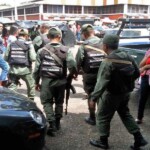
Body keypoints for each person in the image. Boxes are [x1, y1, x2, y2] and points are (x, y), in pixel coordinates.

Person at [89, 34, 148, 150]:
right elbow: (136, 72)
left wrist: (93, 98)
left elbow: (101, 83)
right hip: (125, 93)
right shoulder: (127, 56)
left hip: (111, 95)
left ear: (105, 46)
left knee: (102, 116)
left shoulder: (107, 61)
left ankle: (103, 142)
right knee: (125, 114)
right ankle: (139, 138)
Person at [33, 27, 77, 137]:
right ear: (59, 37)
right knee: (59, 102)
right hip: (61, 81)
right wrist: (72, 75)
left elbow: (37, 70)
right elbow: (72, 64)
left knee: (47, 102)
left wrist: (36, 82)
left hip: (46, 81)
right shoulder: (66, 50)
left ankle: (51, 124)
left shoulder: (41, 51)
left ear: (48, 37)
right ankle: (57, 123)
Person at [76, 24, 105, 126]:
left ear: (84, 34)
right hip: (104, 75)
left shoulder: (83, 46)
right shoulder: (104, 43)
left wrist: (75, 73)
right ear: (93, 32)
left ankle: (92, 118)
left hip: (90, 76)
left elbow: (78, 62)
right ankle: (102, 118)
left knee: (92, 96)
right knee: (102, 95)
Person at [4, 29, 36, 100]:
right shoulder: (29, 45)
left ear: (18, 35)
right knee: (31, 86)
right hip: (26, 71)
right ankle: (31, 101)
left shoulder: (11, 44)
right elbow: (33, 58)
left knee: (12, 87)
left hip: (13, 70)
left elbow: (5, 58)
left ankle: (11, 102)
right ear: (26, 36)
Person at [135, 49, 150, 124]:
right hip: (146, 77)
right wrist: (148, 56)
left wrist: (146, 66)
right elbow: (141, 64)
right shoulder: (149, 51)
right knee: (142, 98)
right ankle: (139, 117)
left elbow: (144, 67)